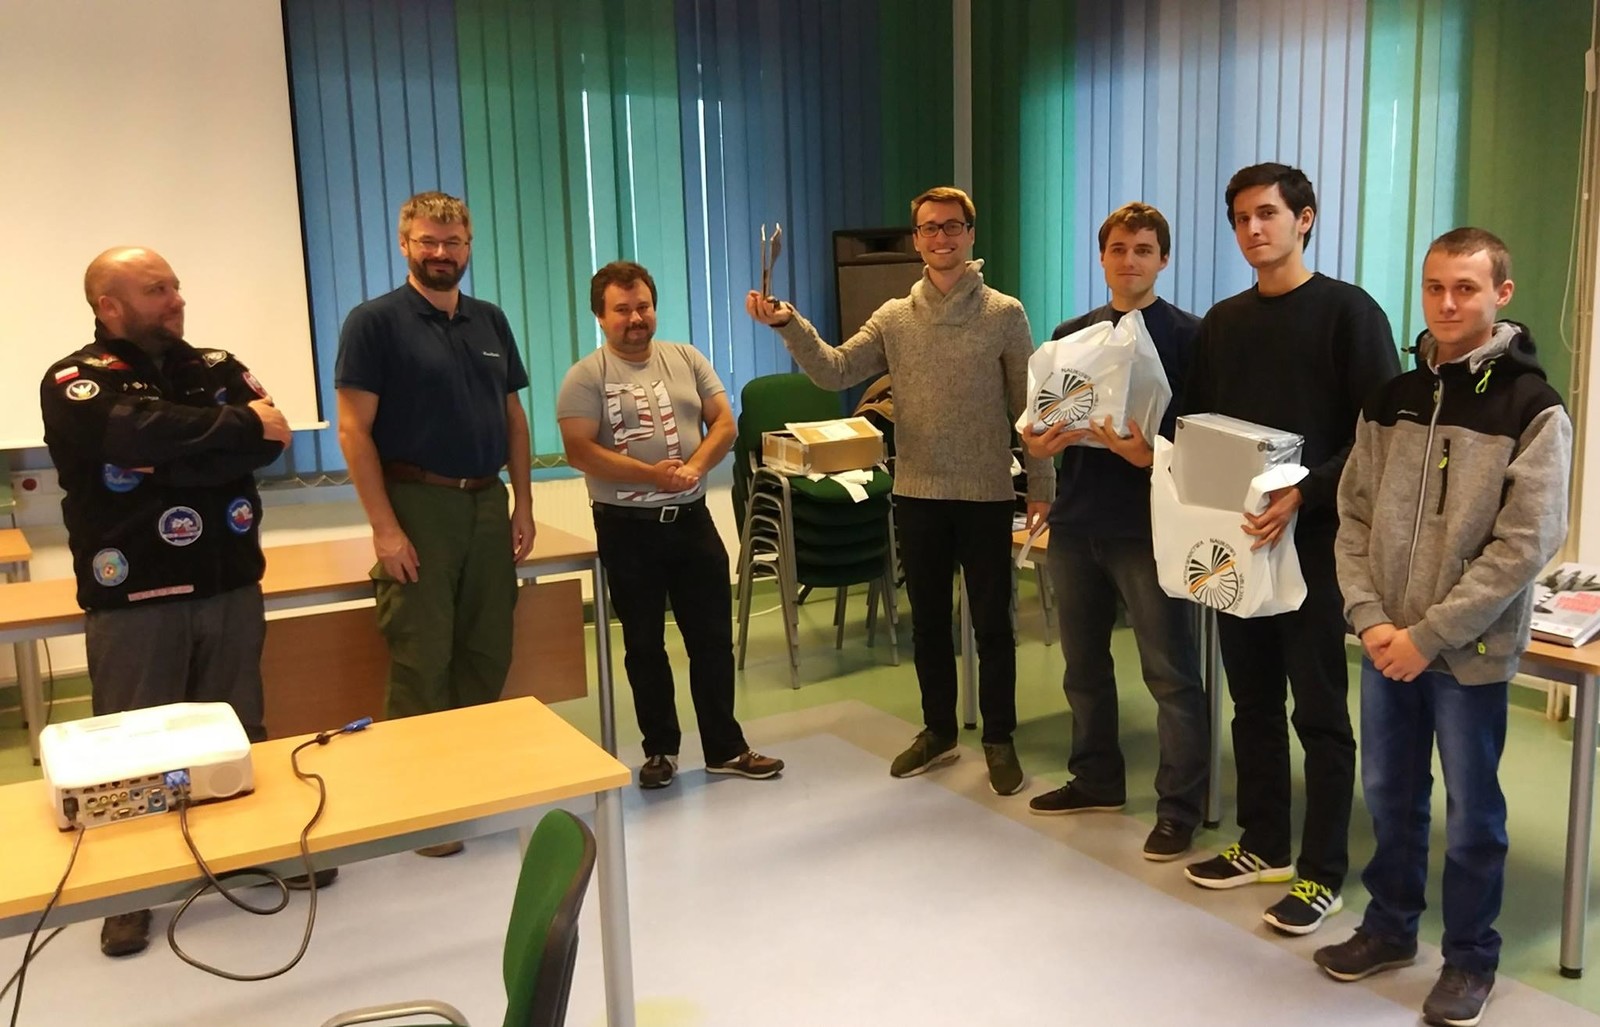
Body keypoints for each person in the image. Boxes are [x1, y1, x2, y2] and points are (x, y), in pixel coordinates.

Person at [1315, 228, 1570, 1026]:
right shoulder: (1391, 397)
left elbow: (1525, 542)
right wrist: (1370, 618)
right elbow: (1352, 516)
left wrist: (1427, 635)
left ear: (1502, 293)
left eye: (1466, 287)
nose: (1448, 303)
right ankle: (1390, 928)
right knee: (1390, 795)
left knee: (1472, 815)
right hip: (1384, 641)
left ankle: (1469, 957)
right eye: (1435, 287)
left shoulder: (1532, 406)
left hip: (1469, 652)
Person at [746, 186, 1054, 796]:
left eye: (952, 226)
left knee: (993, 625)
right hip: (917, 493)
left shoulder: (1004, 313)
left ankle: (999, 739)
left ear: (970, 234)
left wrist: (1042, 485)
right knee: (929, 624)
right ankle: (939, 730)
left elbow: (1030, 408)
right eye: (929, 228)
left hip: (988, 493)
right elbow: (834, 369)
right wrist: (788, 323)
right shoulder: (894, 317)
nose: (941, 237)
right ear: (916, 240)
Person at [41, 246, 293, 957]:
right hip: (134, 594)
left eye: (176, 286)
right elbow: (125, 433)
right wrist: (230, 432)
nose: (177, 299)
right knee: (129, 755)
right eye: (157, 289)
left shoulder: (214, 365)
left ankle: (243, 857)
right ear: (109, 305)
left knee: (239, 734)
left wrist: (172, 451)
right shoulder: (75, 379)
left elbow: (269, 442)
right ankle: (130, 896)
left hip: (228, 584)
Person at [1178, 163, 1399, 935]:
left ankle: (1321, 872)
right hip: (1239, 545)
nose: (1253, 229)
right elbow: (1199, 424)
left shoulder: (1349, 313)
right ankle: (1263, 842)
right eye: (1241, 217)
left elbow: (1380, 434)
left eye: (1267, 214)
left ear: (1304, 218)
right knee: (1252, 702)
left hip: (1318, 546)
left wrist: (1305, 491)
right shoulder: (1224, 322)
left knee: (1321, 713)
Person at [335, 191, 534, 857]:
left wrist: (523, 503)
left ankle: (468, 792)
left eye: (452, 242)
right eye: (427, 241)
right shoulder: (374, 322)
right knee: (422, 657)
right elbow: (354, 431)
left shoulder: (489, 320)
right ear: (405, 245)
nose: (440, 252)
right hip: (417, 503)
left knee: (487, 649)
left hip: (486, 502)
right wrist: (384, 529)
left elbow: (512, 417)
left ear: (468, 245)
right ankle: (422, 811)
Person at [1020, 203, 1208, 861]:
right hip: (1077, 523)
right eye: (1119, 249)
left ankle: (1179, 808)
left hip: (1150, 527)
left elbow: (1202, 437)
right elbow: (1044, 419)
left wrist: (1150, 454)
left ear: (1164, 259)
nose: (1130, 260)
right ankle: (1096, 778)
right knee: (1083, 666)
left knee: (1169, 673)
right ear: (1102, 258)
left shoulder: (1191, 338)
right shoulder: (1072, 336)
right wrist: (1036, 444)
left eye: (1144, 249)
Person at [557, 261, 783, 789]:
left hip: (691, 522)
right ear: (600, 316)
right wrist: (651, 476)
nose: (635, 319)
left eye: (643, 307)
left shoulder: (687, 358)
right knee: (643, 645)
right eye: (622, 310)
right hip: (626, 529)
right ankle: (660, 750)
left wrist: (695, 468)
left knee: (712, 640)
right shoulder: (585, 377)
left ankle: (725, 748)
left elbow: (723, 422)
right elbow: (578, 450)